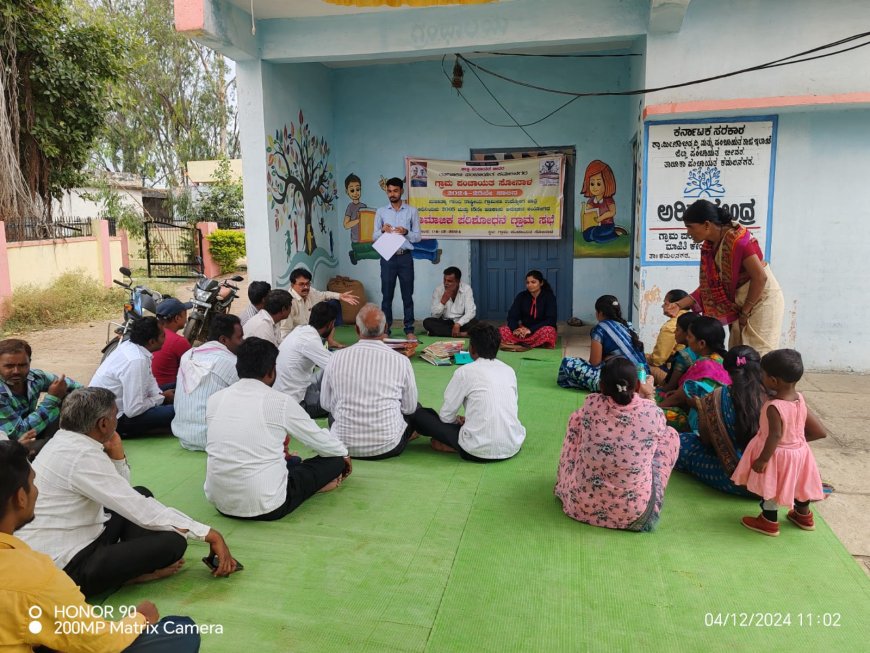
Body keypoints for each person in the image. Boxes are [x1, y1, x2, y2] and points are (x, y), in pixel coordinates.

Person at [17, 387, 237, 597]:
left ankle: (124, 565)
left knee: (142, 492)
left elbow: (121, 493)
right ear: (103, 424)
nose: (117, 420)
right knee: (174, 542)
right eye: (115, 415)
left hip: (75, 536)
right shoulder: (81, 455)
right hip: (66, 565)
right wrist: (208, 533)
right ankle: (129, 576)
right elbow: (136, 506)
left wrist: (117, 456)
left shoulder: (65, 440)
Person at [0, 440, 202, 652]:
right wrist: (139, 618)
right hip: (73, 581)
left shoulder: (64, 447)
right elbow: (101, 643)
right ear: (20, 498)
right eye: (33, 483)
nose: (37, 491)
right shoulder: (36, 576)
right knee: (181, 631)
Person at [205, 338, 350, 520]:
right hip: (268, 505)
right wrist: (343, 455)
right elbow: (322, 442)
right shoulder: (280, 402)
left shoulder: (214, 400)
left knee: (292, 461)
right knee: (334, 461)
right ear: (271, 371)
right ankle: (313, 488)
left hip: (221, 503)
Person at [555, 357, 679, 531]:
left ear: (601, 387)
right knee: (670, 435)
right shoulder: (653, 412)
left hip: (580, 506)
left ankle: (566, 484)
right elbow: (652, 425)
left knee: (577, 420)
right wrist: (649, 395)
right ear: (637, 386)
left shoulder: (591, 404)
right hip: (634, 514)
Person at [664, 199, 784, 355]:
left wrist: (746, 311)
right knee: (737, 354)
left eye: (690, 227)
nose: (688, 233)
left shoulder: (739, 242)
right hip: (740, 304)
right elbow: (710, 287)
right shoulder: (710, 246)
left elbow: (760, 278)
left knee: (758, 356)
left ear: (707, 225)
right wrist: (679, 305)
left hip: (761, 300)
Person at [732, 349, 826, 536]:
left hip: (776, 454)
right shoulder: (799, 398)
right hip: (800, 451)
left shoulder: (774, 407)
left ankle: (768, 520)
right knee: (800, 483)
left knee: (772, 485)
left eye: (763, 375)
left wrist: (763, 459)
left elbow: (775, 435)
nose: (761, 378)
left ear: (774, 381)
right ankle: (803, 515)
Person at [408, 324, 526, 461]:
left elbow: (446, 417)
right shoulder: (509, 370)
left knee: (421, 415)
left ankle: (452, 444)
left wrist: (458, 421)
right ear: (497, 347)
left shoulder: (464, 372)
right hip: (512, 445)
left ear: (472, 349)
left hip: (475, 450)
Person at [321, 304, 418, 459]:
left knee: (335, 413)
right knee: (415, 409)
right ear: (385, 328)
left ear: (357, 330)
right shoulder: (401, 360)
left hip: (342, 445)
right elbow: (410, 408)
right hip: (387, 447)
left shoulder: (335, 357)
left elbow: (326, 404)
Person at [676, 345, 767, 495]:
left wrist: (701, 408)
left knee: (680, 442)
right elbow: (817, 432)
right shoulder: (776, 396)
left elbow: (706, 441)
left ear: (727, 370)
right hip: (775, 482)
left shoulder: (718, 396)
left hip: (733, 480)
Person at [89, 317, 175, 438]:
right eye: (162, 336)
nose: (165, 339)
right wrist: (161, 399)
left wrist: (159, 395)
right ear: (151, 341)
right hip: (114, 419)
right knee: (180, 411)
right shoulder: (136, 360)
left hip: (122, 404)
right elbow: (133, 410)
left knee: (177, 385)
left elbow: (149, 382)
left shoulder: (132, 346)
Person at [171, 313, 244, 452]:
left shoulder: (188, 355)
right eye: (239, 337)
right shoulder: (232, 363)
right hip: (217, 440)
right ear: (223, 340)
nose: (243, 341)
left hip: (184, 437)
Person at [0, 338, 82, 450]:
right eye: (9, 366)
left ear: (29, 362)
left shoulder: (35, 377)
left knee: (73, 398)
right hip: (7, 446)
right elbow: (18, 434)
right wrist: (52, 399)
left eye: (23, 365)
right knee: (54, 444)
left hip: (31, 432)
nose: (16, 371)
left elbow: (77, 387)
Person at [658, 316, 732, 432]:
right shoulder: (722, 361)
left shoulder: (704, 365)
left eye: (689, 336)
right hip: (718, 422)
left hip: (699, 426)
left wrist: (653, 409)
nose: (687, 339)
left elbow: (678, 398)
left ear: (701, 343)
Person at [557, 295, 646, 391]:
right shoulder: (628, 325)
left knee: (568, 363)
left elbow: (595, 363)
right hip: (641, 377)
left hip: (616, 381)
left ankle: (615, 388)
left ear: (600, 313)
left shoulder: (600, 329)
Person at [372, 177, 421, 339]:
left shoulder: (412, 211)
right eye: (389, 191)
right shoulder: (381, 211)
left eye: (395, 191)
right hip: (387, 258)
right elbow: (374, 236)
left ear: (401, 191)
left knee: (408, 295)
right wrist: (382, 231)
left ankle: (409, 330)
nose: (392, 194)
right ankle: (386, 330)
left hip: (405, 258)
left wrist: (405, 232)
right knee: (387, 295)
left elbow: (418, 237)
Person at [275, 301, 337, 419]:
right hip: (296, 403)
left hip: (296, 389)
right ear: (331, 324)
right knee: (341, 400)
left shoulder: (301, 330)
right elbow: (337, 368)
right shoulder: (309, 341)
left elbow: (334, 360)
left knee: (335, 361)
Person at [282, 267, 359, 348]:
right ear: (292, 285)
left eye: (308, 283)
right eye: (301, 284)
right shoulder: (288, 302)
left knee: (334, 304)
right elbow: (284, 331)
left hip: (312, 332)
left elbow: (324, 295)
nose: (306, 287)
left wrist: (340, 296)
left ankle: (330, 341)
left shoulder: (310, 291)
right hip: (298, 340)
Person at [498, 270, 557, 351]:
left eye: (533, 282)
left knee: (549, 331)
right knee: (503, 329)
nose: (530, 285)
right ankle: (527, 344)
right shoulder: (521, 296)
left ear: (541, 283)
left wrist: (530, 330)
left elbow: (551, 320)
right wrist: (516, 329)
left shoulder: (549, 297)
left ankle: (517, 344)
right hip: (522, 332)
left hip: (538, 331)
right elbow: (512, 316)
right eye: (527, 283)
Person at [646, 289, 690, 385]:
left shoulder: (670, 327)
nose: (662, 306)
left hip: (677, 377)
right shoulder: (692, 317)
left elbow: (658, 360)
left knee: (639, 364)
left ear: (674, 305)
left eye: (665, 303)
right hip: (687, 372)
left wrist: (645, 357)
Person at [422, 266, 478, 338]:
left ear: (458, 281)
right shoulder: (438, 290)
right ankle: (462, 334)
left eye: (449, 281)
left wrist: (458, 324)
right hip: (445, 322)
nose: (446, 283)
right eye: (444, 280)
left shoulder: (466, 289)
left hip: (461, 322)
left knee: (476, 324)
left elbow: (471, 312)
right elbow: (434, 315)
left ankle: (439, 333)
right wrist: (443, 302)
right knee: (427, 322)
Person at [580, 159, 626, 243]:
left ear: (607, 183)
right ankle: (603, 235)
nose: (595, 187)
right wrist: (585, 212)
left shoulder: (608, 199)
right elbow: (588, 212)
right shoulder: (591, 200)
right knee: (586, 237)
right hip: (595, 225)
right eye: (592, 184)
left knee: (596, 237)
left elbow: (612, 212)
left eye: (598, 184)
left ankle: (616, 233)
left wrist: (600, 218)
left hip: (607, 225)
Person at [151, 298, 193, 387]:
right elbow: (191, 370)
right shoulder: (179, 342)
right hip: (166, 388)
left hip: (149, 386)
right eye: (185, 314)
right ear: (177, 318)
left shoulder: (151, 332)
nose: (187, 318)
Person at [656, 311, 701, 392]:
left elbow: (670, 387)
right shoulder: (703, 351)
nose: (674, 332)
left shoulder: (684, 355)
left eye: (677, 329)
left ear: (687, 333)